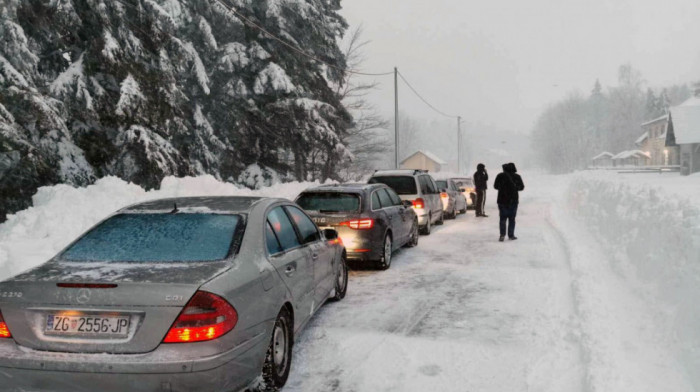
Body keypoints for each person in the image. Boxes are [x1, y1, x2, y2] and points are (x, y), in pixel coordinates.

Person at [493, 162, 525, 242]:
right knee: (512, 219)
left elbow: (495, 186)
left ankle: (502, 235)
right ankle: (511, 235)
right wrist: (515, 187)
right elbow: (521, 187)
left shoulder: (500, 176)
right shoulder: (517, 177)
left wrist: (503, 188)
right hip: (513, 200)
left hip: (502, 200)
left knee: (502, 218)